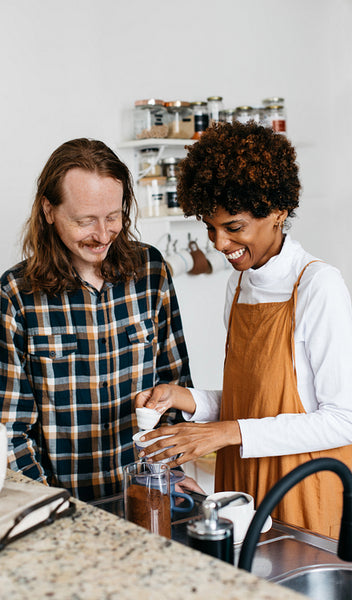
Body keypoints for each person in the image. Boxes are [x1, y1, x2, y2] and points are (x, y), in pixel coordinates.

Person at [135, 121, 352, 538]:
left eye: (233, 227)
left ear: (277, 212)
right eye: (209, 227)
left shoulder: (318, 286)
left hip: (302, 492)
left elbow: (342, 418)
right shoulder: (238, 284)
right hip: (245, 490)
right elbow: (257, 399)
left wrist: (225, 432)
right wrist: (187, 399)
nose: (218, 243)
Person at [0, 137, 192, 502]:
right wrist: (54, 508)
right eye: (85, 221)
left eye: (113, 217)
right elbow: (9, 431)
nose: (102, 234)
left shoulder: (151, 271)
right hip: (62, 507)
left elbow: (175, 386)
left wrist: (170, 470)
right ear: (49, 210)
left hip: (150, 493)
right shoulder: (16, 294)